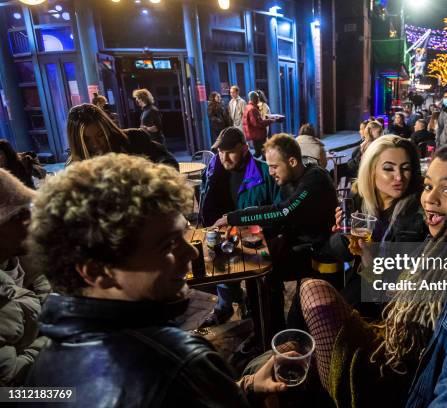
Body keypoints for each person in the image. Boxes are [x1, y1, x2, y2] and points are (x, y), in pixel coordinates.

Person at [23, 153, 287, 406]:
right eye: (167, 244)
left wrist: (243, 387)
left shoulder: (40, 372)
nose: (191, 252)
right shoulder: (179, 363)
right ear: (96, 272)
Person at [297, 142, 447, 407]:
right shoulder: (439, 245)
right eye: (429, 186)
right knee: (309, 295)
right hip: (395, 350)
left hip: (404, 383)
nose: (429, 198)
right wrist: (350, 243)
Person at [214, 134, 337, 332]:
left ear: (292, 161)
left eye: (274, 166)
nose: (270, 172)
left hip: (320, 255)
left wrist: (235, 218)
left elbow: (284, 211)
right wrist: (246, 227)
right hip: (300, 244)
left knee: (266, 274)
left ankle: (272, 334)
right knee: (255, 265)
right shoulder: (292, 176)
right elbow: (279, 213)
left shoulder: (314, 180)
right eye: (269, 166)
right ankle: (262, 329)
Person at [325, 136, 427, 319]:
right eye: (388, 168)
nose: (399, 177)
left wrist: (366, 255)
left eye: (406, 168)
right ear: (371, 171)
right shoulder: (358, 199)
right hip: (359, 286)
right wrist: (343, 235)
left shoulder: (416, 217)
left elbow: (391, 287)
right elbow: (341, 253)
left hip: (386, 307)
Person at [198, 127, 281, 327]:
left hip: (256, 243)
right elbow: (204, 200)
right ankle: (225, 307)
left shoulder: (264, 173)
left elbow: (278, 211)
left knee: (260, 289)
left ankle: (257, 320)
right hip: (222, 237)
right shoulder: (212, 171)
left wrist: (260, 231)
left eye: (230, 152)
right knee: (220, 272)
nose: (224, 157)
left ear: (244, 149)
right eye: (220, 152)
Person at [0, 169, 50, 386]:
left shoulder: (16, 257)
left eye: (27, 209)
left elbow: (40, 280)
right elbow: (10, 391)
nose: (30, 220)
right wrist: (58, 337)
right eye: (17, 215)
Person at [66, 103, 178, 170]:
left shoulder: (133, 139)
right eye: (87, 140)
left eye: (100, 135)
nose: (95, 143)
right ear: (77, 142)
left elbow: (168, 161)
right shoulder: (75, 166)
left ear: (108, 129)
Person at [243, 91, 276, 159]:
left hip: (254, 134)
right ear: (254, 98)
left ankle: (250, 163)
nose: (258, 99)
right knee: (264, 153)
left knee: (258, 152)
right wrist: (271, 120)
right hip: (259, 135)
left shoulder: (247, 107)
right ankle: (256, 165)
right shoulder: (253, 109)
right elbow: (258, 123)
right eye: (257, 97)